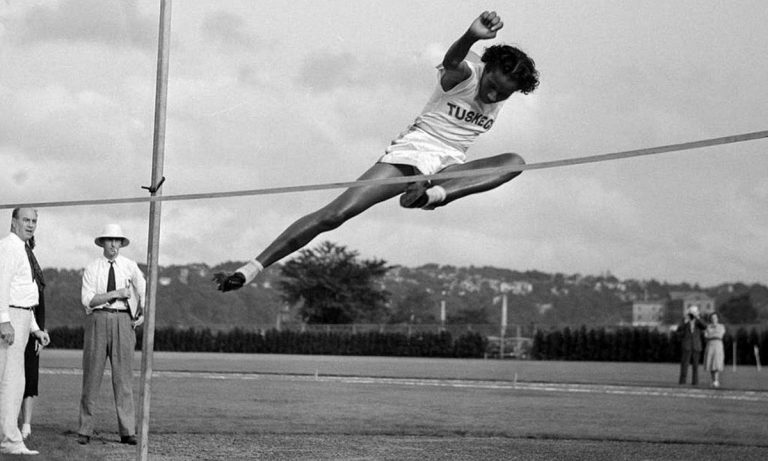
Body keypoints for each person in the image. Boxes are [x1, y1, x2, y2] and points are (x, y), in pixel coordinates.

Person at [214, 11, 540, 292]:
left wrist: (436, 186)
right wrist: (470, 35)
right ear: (487, 69)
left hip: (449, 168)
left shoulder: (499, 94)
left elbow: (498, 116)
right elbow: (454, 60)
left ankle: (428, 196)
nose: (494, 95)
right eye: (493, 86)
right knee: (334, 215)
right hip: (412, 154)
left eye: (504, 95)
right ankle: (251, 269)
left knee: (515, 162)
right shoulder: (466, 74)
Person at [77, 224, 145, 446]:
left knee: (124, 378)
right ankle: (85, 430)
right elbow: (88, 300)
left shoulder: (130, 266)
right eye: (110, 240)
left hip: (123, 321)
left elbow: (144, 291)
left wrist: (141, 312)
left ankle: (127, 431)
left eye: (118, 241)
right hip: (97, 320)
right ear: (102, 243)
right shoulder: (92, 268)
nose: (114, 245)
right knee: (91, 377)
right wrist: (115, 293)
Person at [0, 208, 51, 456]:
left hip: (20, 315)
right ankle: (9, 439)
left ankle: (10, 438)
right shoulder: (10, 246)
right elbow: (2, 284)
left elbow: (25, 294)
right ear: (13, 222)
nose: (30, 225)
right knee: (9, 382)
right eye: (26, 220)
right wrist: (3, 321)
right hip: (9, 316)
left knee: (16, 381)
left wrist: (35, 329)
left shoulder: (23, 249)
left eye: (34, 221)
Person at [20, 234, 47, 441]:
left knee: (30, 379)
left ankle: (26, 425)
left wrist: (39, 333)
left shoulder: (37, 274)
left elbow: (41, 308)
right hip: (14, 325)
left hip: (33, 331)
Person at [678, 305, 706, 386]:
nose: (693, 314)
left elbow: (705, 326)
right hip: (686, 346)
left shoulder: (699, 321)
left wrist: (697, 317)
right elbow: (679, 330)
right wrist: (686, 320)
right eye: (692, 313)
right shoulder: (685, 320)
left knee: (695, 366)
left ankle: (695, 382)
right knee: (684, 365)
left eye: (694, 312)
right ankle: (682, 381)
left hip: (696, 346)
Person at [703, 312, 726, 388]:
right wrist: (712, 333)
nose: (714, 319)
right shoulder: (708, 327)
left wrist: (712, 333)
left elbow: (720, 334)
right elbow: (706, 335)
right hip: (710, 345)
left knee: (716, 363)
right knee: (710, 363)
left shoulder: (721, 326)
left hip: (718, 345)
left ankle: (716, 380)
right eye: (712, 318)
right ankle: (713, 381)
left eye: (715, 318)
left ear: (717, 318)